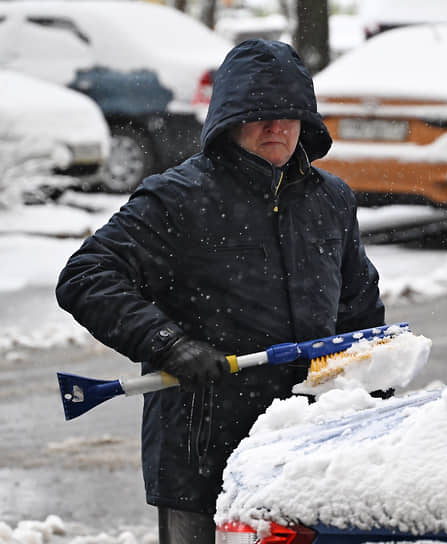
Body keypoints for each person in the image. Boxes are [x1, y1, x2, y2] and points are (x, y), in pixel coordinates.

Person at [55, 39, 385, 544]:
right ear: (230, 118)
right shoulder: (178, 198)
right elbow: (87, 276)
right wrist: (170, 344)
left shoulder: (330, 200)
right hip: (202, 451)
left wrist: (371, 394)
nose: (277, 127)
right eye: (261, 114)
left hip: (306, 447)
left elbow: (359, 311)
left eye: (290, 114)